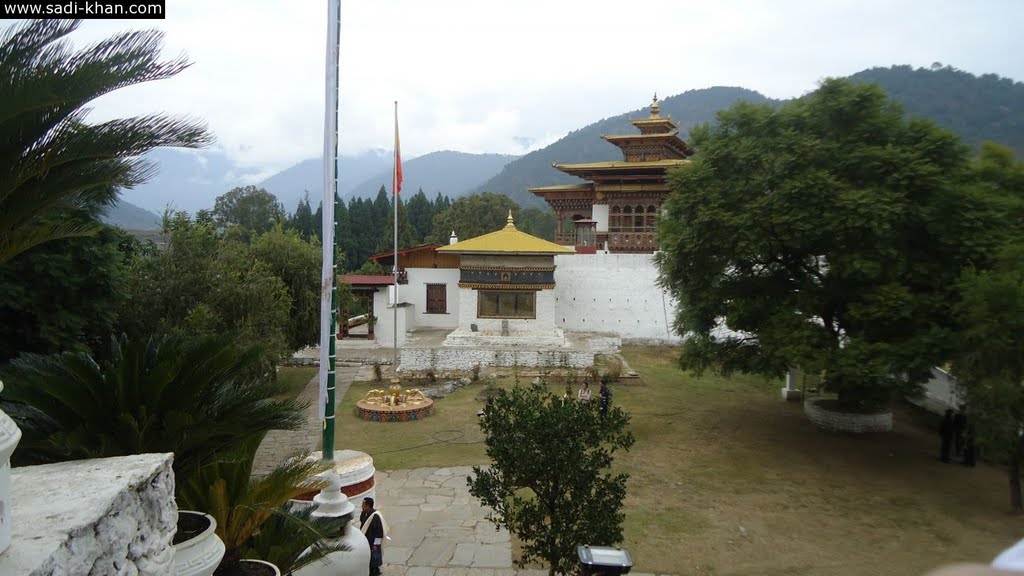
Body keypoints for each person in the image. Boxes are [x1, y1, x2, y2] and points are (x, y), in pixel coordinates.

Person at [360, 497, 387, 576]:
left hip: (373, 543)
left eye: (363, 505)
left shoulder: (376, 516)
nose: (362, 506)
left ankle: (375, 571)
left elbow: (379, 532)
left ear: (368, 506)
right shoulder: (363, 513)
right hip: (366, 540)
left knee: (374, 559)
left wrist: (376, 545)